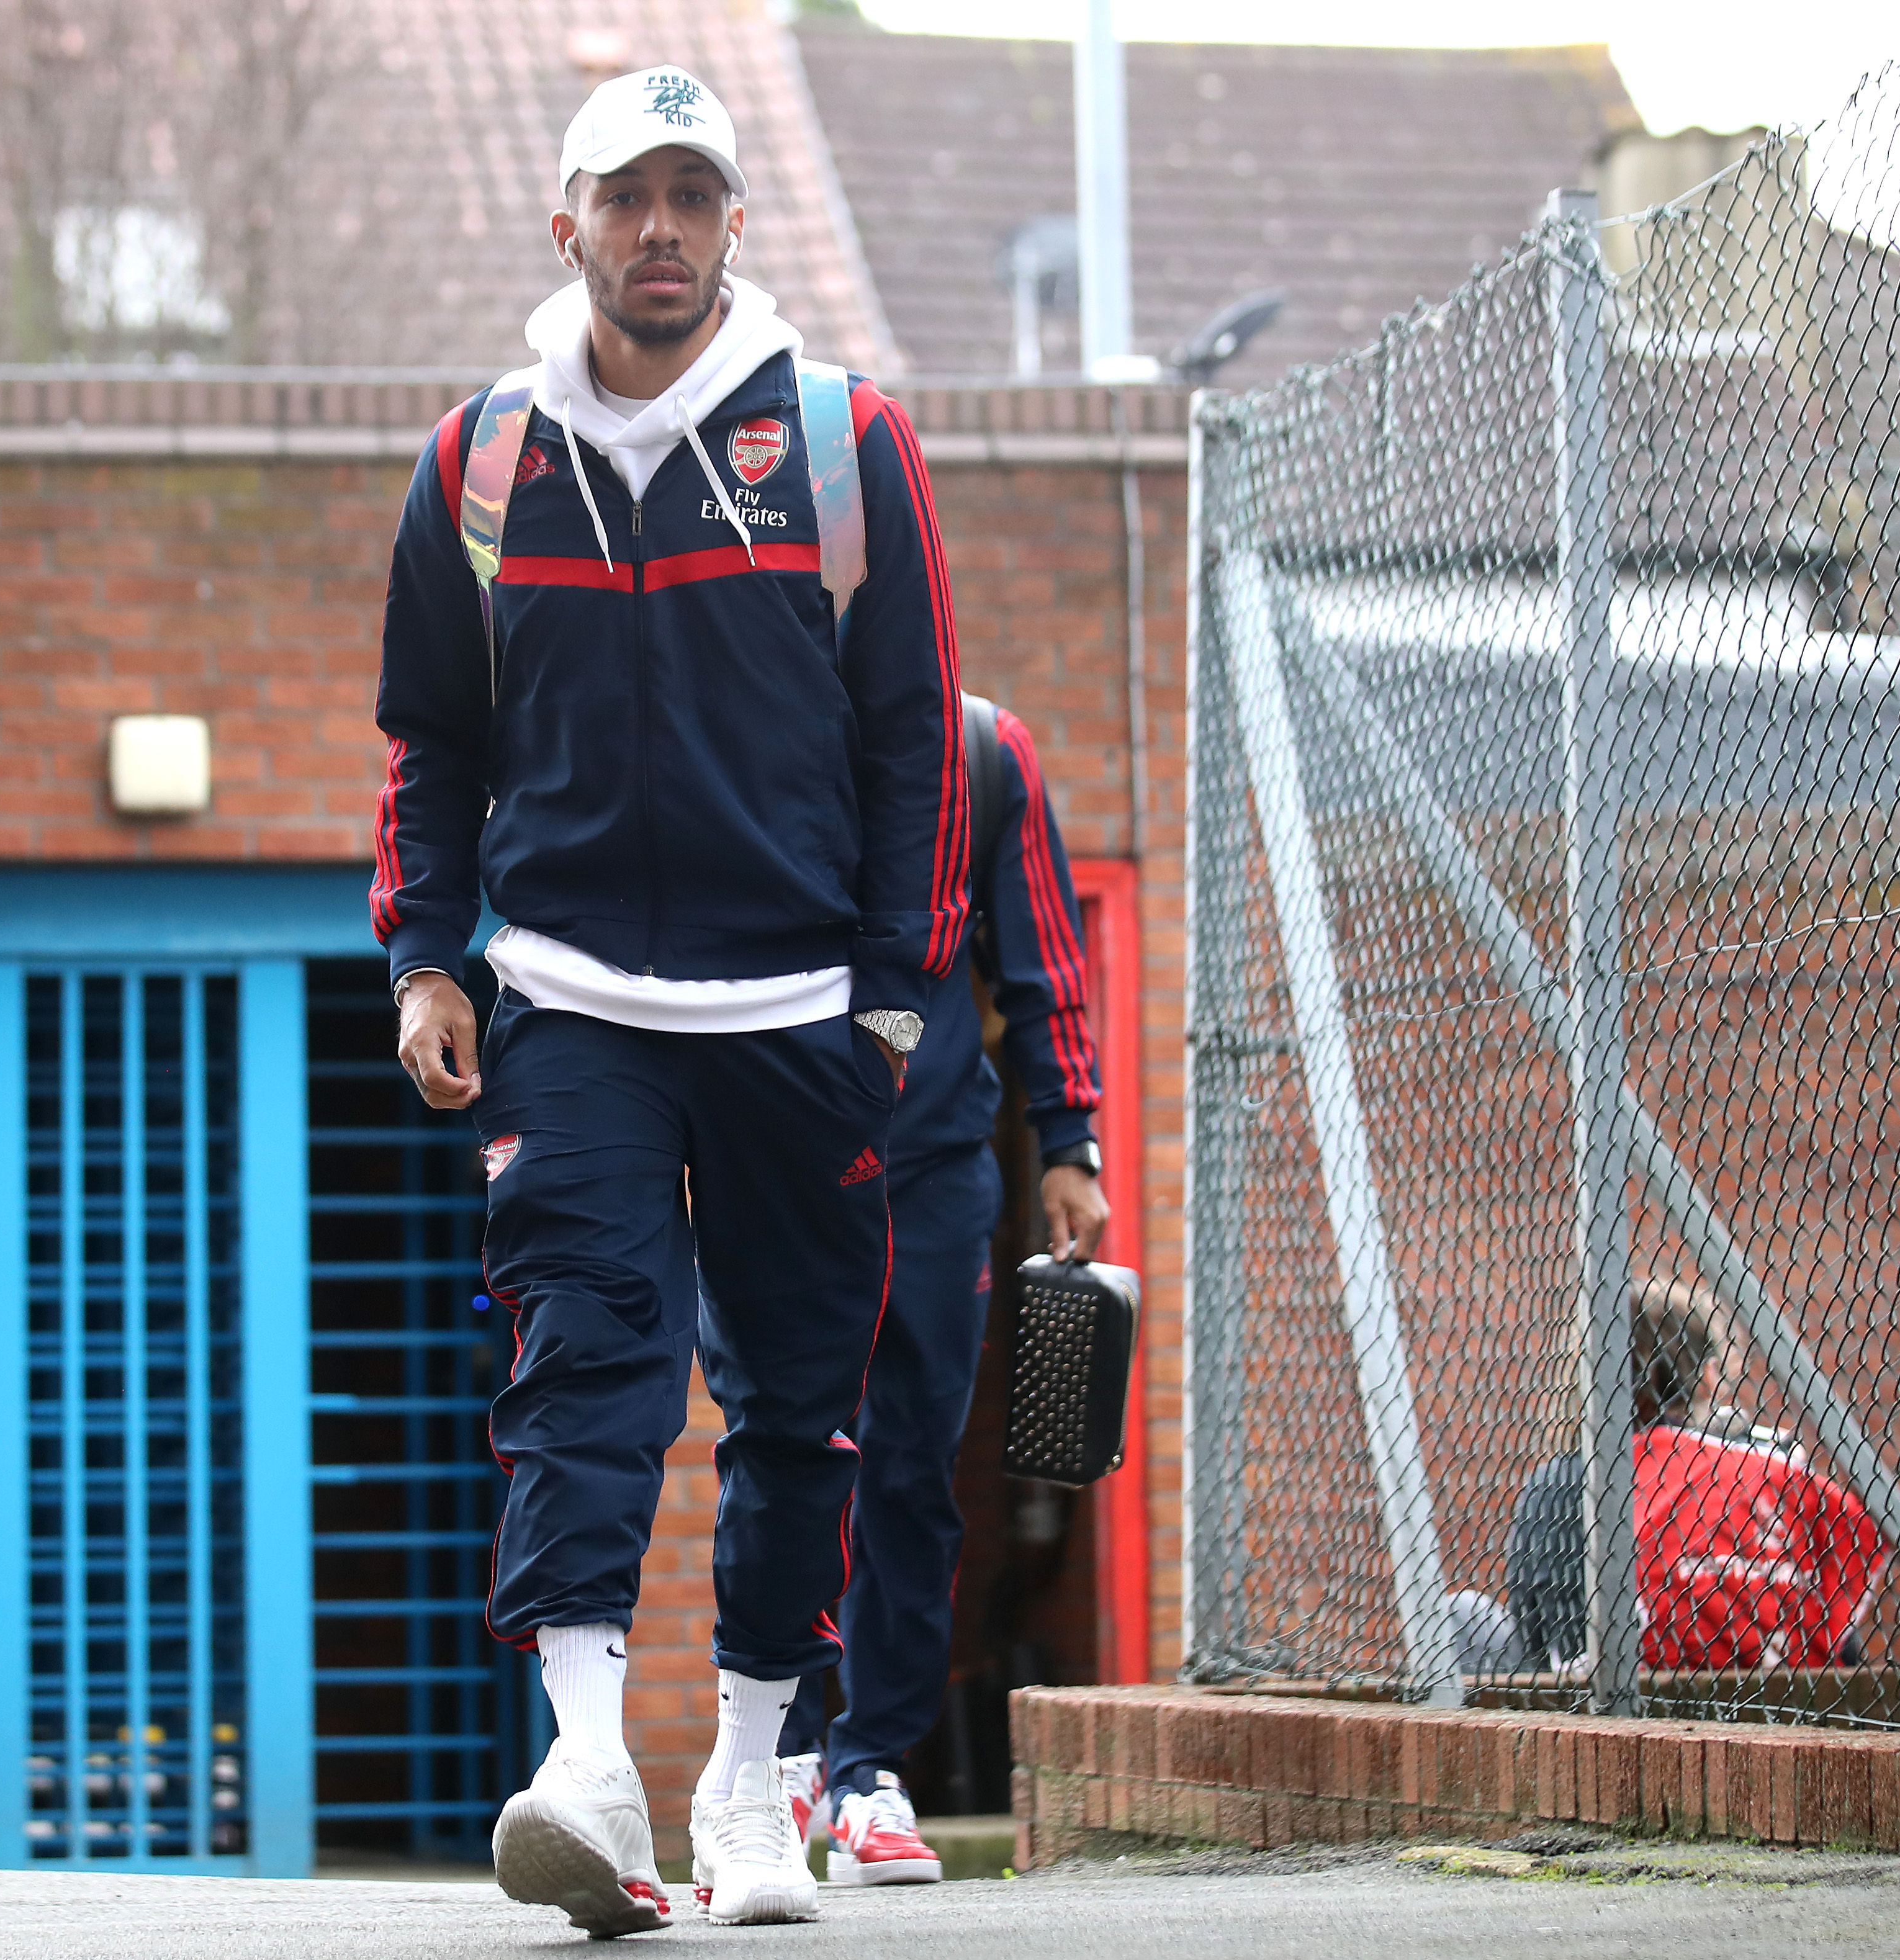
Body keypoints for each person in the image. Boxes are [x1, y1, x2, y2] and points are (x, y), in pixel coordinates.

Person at [371, 63, 968, 1934]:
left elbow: (917, 745)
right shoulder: (479, 463)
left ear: (731, 225)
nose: (660, 231)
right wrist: (425, 956)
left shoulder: (845, 444)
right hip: (570, 1003)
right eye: (627, 197)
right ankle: (586, 1764)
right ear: (567, 222)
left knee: (800, 1411)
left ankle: (752, 1781)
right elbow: (432, 744)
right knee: (584, 1368)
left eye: (691, 198)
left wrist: (891, 1008)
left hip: (798, 1012)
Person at [772, 695, 1109, 1884]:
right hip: (772, 1162)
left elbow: (1041, 960)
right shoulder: (740, 712)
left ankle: (866, 1769)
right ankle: (775, 1760)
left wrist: (1067, 1140)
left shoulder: (981, 750)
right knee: (784, 1454)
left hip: (926, 1171)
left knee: (908, 1471)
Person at [1499, 1281, 1882, 1674]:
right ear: (1708, 1375)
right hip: (1792, 1686)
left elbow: (1533, 1621)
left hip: (1596, 1686)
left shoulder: (1565, 1480)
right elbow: (1839, 1626)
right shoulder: (1768, 1467)